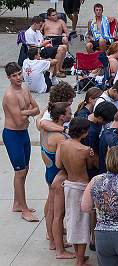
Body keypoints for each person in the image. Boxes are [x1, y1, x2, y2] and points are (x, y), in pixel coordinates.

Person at [2, 62, 40, 222]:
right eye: (14, 75)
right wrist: (28, 112)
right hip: (12, 135)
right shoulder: (10, 96)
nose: (18, 78)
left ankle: (17, 203)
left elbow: (37, 108)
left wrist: (24, 111)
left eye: (19, 74)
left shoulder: (25, 88)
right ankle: (24, 209)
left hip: (23, 134)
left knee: (24, 169)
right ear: (8, 78)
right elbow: (17, 121)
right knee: (20, 172)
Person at [55, 117, 95, 266]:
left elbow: (58, 164)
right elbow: (90, 167)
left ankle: (79, 256)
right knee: (83, 223)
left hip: (69, 185)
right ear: (84, 132)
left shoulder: (63, 144)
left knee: (72, 221)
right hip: (82, 187)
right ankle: (79, 261)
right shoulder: (84, 150)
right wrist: (91, 156)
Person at [39, 102, 72, 251]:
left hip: (49, 171)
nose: (71, 115)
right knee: (57, 213)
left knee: (52, 209)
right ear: (61, 116)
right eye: (69, 113)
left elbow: (42, 121)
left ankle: (53, 239)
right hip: (56, 174)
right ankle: (56, 246)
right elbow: (60, 163)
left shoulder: (45, 128)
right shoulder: (59, 137)